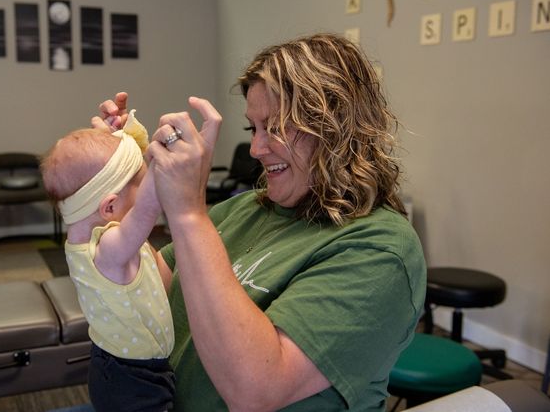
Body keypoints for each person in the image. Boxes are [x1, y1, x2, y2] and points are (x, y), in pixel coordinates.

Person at [98, 33, 426, 411]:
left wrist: (188, 214)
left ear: (336, 129)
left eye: (276, 126)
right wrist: (124, 182)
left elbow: (255, 390)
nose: (256, 148)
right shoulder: (249, 209)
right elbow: (158, 284)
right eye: (253, 128)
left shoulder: (380, 249)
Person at [40, 111, 175, 412]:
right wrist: (164, 156)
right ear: (110, 206)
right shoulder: (108, 250)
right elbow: (146, 211)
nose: (150, 190)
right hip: (131, 378)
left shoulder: (100, 237)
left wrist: (122, 141)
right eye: (142, 184)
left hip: (128, 367)